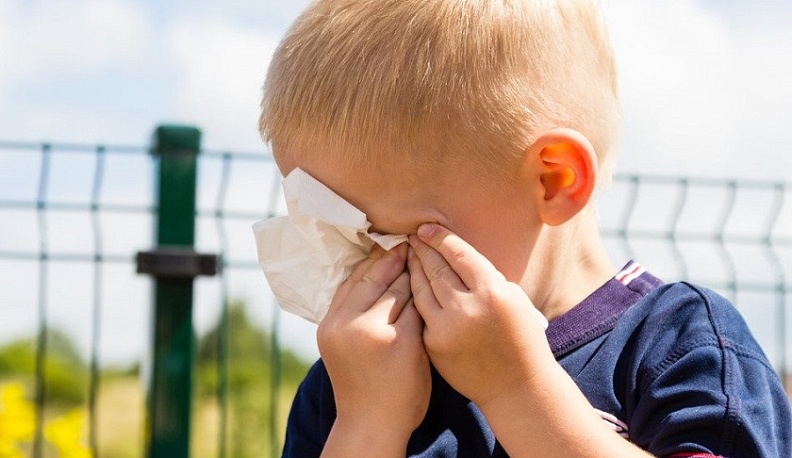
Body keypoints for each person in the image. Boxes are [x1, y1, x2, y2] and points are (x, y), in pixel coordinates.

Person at [258, 0, 792, 456]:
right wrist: (367, 424)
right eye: (339, 238)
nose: (366, 270)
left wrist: (518, 388)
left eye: (393, 239)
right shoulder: (350, 384)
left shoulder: (680, 345)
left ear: (554, 181)